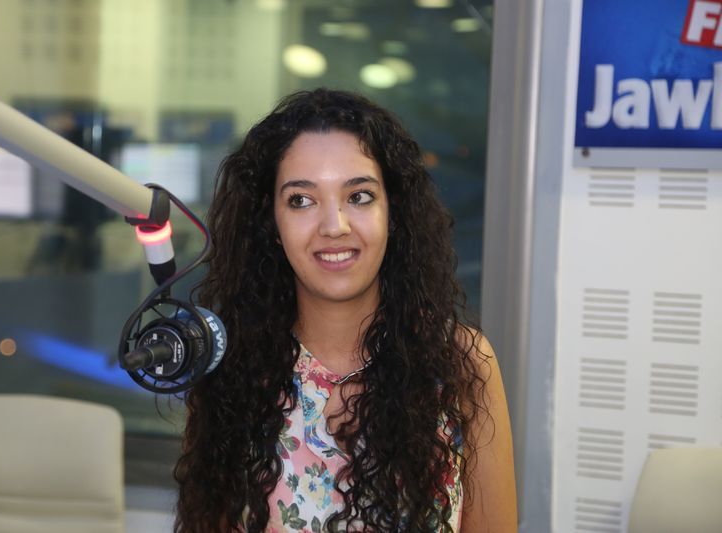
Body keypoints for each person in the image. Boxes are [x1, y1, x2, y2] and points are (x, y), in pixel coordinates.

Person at [173, 89, 517, 532]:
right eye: (301, 200)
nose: (334, 226)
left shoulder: (461, 364)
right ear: (271, 223)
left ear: (393, 213)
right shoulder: (229, 371)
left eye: (359, 196)